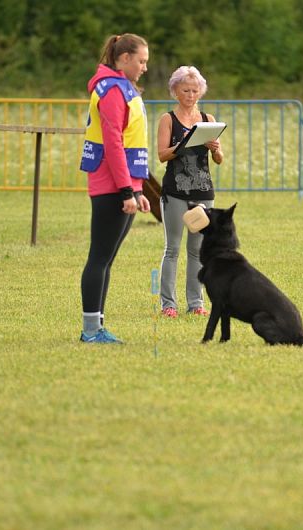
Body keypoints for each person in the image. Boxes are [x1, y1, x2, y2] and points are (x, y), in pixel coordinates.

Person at [79, 33, 152, 344]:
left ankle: (98, 326)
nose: (145, 67)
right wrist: (125, 190)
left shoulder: (123, 87)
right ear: (125, 59)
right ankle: (91, 330)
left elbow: (130, 140)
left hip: (124, 184)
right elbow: (113, 142)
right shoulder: (110, 90)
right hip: (111, 185)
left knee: (106, 259)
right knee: (99, 258)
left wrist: (138, 190)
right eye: (141, 61)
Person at [156, 66, 224, 318]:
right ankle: (168, 305)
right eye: (185, 90)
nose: (191, 95)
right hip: (175, 192)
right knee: (172, 248)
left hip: (203, 192)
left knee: (197, 250)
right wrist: (182, 144)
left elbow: (218, 159)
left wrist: (215, 149)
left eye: (195, 90)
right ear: (175, 91)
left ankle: (196, 303)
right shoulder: (167, 119)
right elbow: (162, 154)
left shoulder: (208, 120)